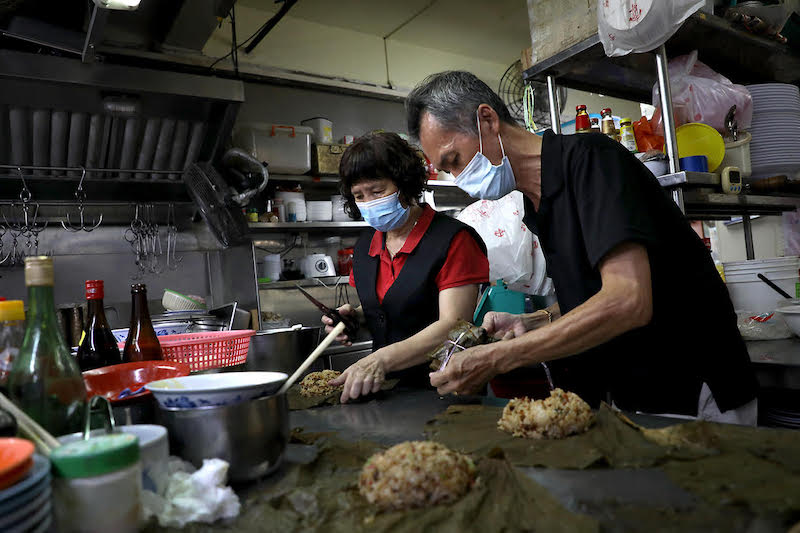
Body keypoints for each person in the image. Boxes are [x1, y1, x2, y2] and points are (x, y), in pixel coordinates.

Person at [406, 71, 758, 425]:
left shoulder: (593, 162)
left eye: (455, 160)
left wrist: (500, 357)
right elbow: (593, 293)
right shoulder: (535, 203)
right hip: (633, 395)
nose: (459, 178)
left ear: (487, 119)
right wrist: (532, 321)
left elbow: (628, 301)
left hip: (693, 389)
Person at [323, 132, 489, 403]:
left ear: (406, 183)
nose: (369, 203)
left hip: (445, 387)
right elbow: (391, 307)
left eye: (377, 191)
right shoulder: (366, 246)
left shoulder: (452, 239)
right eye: (359, 196)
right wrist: (355, 318)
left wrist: (380, 360)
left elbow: (454, 325)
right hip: (387, 391)